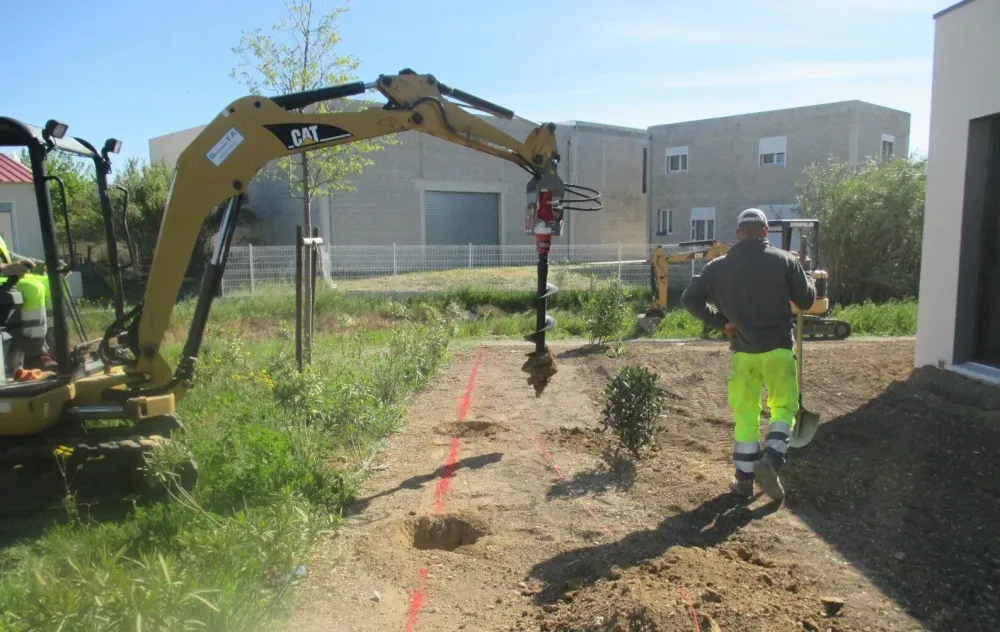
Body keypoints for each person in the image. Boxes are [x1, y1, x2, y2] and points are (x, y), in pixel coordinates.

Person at [680, 208, 815, 502]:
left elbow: (690, 300)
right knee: (783, 409)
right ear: (766, 232)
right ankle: (772, 460)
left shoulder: (717, 267)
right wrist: (807, 274)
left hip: (743, 352)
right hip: (778, 349)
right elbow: (806, 300)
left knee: (745, 414)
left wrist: (721, 322)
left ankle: (743, 481)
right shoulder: (785, 261)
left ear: (739, 233)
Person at [0, 235, 55, 371]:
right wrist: (5, 268)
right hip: (3, 275)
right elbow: (7, 264)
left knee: (55, 283)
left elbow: (9, 256)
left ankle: (54, 348)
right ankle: (34, 354)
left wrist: (43, 265)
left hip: (5, 275)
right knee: (33, 289)